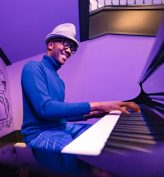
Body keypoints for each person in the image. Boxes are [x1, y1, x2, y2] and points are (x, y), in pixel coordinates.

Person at [21, 23, 140, 152]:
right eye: (66, 44)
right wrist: (97, 105)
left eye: (72, 48)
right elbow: (45, 108)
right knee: (85, 156)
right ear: (50, 45)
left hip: (62, 127)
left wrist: (92, 114)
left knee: (109, 138)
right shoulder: (33, 67)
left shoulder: (60, 82)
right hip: (39, 134)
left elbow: (60, 116)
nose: (69, 51)